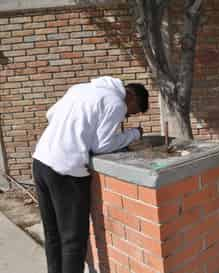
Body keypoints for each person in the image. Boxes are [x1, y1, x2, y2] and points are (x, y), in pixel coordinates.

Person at [32, 76, 149, 273]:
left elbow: (50, 114)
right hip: (66, 170)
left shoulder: (79, 88)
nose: (125, 117)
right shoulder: (115, 103)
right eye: (131, 112)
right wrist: (134, 134)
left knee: (53, 233)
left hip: (41, 161)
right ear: (132, 98)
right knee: (73, 240)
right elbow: (103, 145)